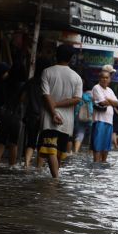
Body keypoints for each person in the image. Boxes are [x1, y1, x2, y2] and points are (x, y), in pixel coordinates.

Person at [38, 44, 83, 178]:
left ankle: (55, 179)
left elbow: (46, 96)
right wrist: (58, 106)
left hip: (49, 119)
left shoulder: (47, 72)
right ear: (71, 58)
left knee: (51, 150)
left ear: (56, 55)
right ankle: (56, 179)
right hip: (67, 122)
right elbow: (77, 99)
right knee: (58, 153)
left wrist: (53, 111)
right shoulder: (76, 77)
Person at [0, 61, 26, 166]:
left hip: (4, 113)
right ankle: (11, 165)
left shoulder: (5, 82)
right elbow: (22, 99)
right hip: (16, 115)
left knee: (1, 140)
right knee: (13, 142)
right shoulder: (23, 85)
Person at [21, 57, 51, 168]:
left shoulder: (30, 82)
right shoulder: (48, 84)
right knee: (42, 144)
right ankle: (39, 167)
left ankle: (26, 164)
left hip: (31, 115)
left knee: (31, 141)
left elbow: (22, 98)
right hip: (44, 116)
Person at [91, 69, 118, 162]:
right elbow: (102, 102)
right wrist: (111, 102)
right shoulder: (96, 88)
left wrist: (108, 101)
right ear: (99, 78)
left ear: (110, 79)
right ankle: (96, 167)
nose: (105, 79)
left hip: (109, 121)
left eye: (107, 78)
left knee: (106, 148)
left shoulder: (110, 90)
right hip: (99, 120)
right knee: (97, 147)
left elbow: (117, 103)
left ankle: (102, 167)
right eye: (103, 77)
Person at [73, 78, 94, 153]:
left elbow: (76, 107)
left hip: (80, 117)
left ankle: (76, 150)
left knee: (80, 134)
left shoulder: (79, 95)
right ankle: (90, 152)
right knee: (92, 135)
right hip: (90, 117)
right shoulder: (93, 95)